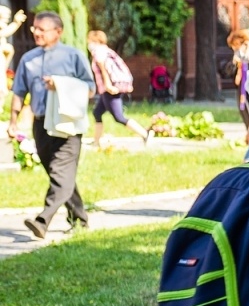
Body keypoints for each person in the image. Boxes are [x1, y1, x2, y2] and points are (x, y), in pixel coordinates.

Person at [8, 12, 94, 239]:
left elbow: (90, 88)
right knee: (59, 174)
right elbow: (19, 91)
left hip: (68, 125)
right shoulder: (28, 59)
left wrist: (61, 84)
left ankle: (43, 220)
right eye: (34, 28)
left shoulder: (73, 56)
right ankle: (80, 219)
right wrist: (13, 122)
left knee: (61, 173)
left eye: (41, 29)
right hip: (41, 125)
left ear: (58, 32)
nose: (36, 32)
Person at [85, 30, 151, 147]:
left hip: (109, 88)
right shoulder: (108, 51)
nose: (88, 44)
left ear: (95, 40)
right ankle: (96, 142)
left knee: (119, 117)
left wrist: (108, 85)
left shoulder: (99, 51)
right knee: (97, 113)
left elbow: (103, 68)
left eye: (90, 41)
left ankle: (145, 134)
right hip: (109, 88)